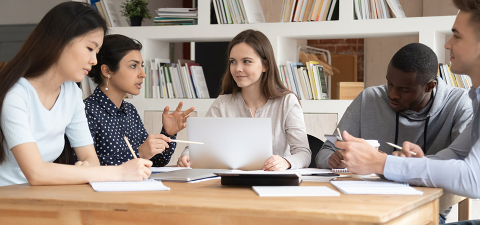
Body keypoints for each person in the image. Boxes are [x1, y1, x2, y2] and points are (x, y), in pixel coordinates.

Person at [335, 0, 480, 223]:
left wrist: (380, 163)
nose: (447, 44)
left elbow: (474, 178)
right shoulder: (477, 98)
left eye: (457, 36)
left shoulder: (461, 101)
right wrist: (412, 163)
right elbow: (454, 155)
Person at [0, 2, 152, 186]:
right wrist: (118, 172)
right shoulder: (16, 94)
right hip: (8, 199)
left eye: (97, 52)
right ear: (60, 41)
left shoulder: (71, 93)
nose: (94, 60)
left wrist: (88, 169)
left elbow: (90, 158)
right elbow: (36, 172)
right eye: (90, 48)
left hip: (41, 196)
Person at [316, 43, 473, 170]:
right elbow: (326, 152)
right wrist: (332, 160)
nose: (392, 94)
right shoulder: (369, 99)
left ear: (429, 86)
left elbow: (466, 165)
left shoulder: (459, 104)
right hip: (366, 197)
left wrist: (403, 165)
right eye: (390, 83)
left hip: (424, 200)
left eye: (404, 90)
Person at [177, 29, 311, 171]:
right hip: (228, 183)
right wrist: (186, 157)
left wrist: (285, 162)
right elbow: (198, 145)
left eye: (246, 61)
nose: (237, 69)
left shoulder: (287, 102)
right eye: (233, 62)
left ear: (265, 65)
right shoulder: (222, 103)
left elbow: (304, 154)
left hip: (272, 183)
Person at [84, 34, 194, 166]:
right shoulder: (86, 111)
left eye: (141, 65)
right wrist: (139, 153)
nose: (143, 74)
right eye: (133, 66)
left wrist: (168, 133)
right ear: (107, 71)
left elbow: (155, 162)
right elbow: (85, 165)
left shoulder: (130, 111)